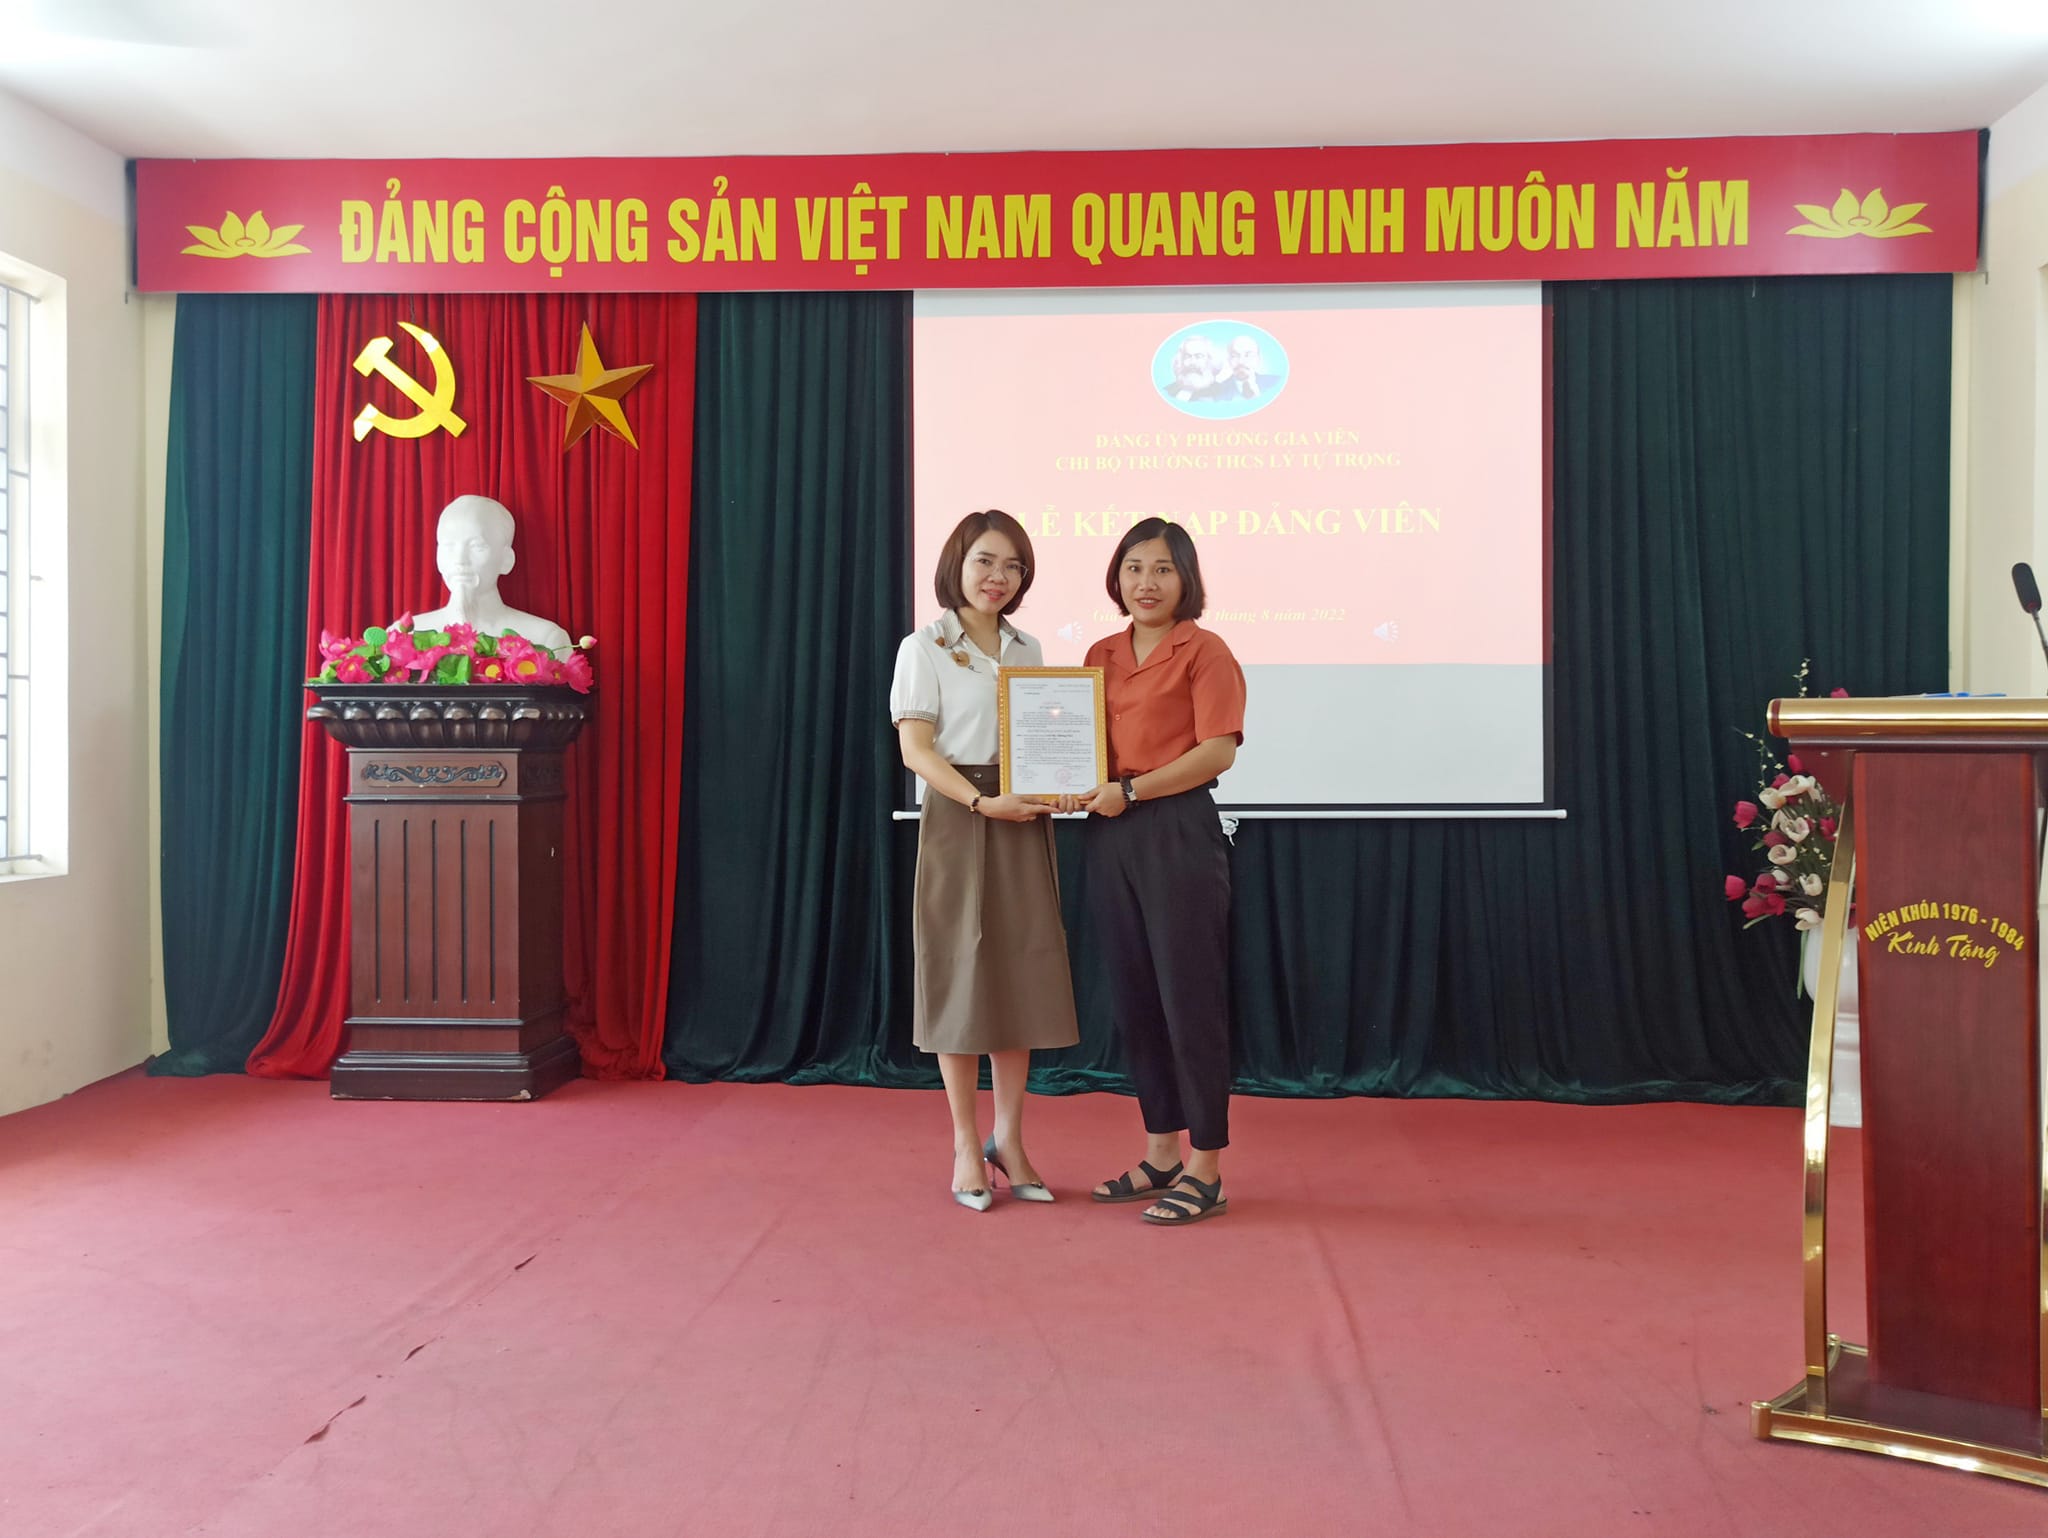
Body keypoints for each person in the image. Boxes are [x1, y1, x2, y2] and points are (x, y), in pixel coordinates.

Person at [891, 509, 1081, 1212]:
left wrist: (1061, 785)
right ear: (957, 565)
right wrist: (979, 802)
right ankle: (966, 1145)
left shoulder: (1028, 649)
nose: (998, 577)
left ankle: (1011, 1138)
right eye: (985, 562)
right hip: (960, 812)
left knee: (1020, 971)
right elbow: (916, 750)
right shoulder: (925, 647)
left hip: (1022, 813)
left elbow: (1041, 739)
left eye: (1013, 566)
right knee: (960, 973)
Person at [1078, 517, 1245, 1225]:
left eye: (1162, 569)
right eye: (1134, 568)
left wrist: (1134, 789)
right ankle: (1160, 1154)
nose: (1146, 583)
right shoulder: (1100, 652)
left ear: (1186, 580)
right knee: (1136, 996)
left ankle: (1206, 1167)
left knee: (1188, 997)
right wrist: (1062, 781)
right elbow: (1076, 742)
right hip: (1109, 832)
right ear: (1117, 576)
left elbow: (1217, 751)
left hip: (1175, 829)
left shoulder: (1205, 651)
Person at [409, 493, 572, 651]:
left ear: (506, 560)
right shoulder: (405, 637)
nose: (460, 559)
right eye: (448, 545)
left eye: (477, 546)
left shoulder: (545, 640)